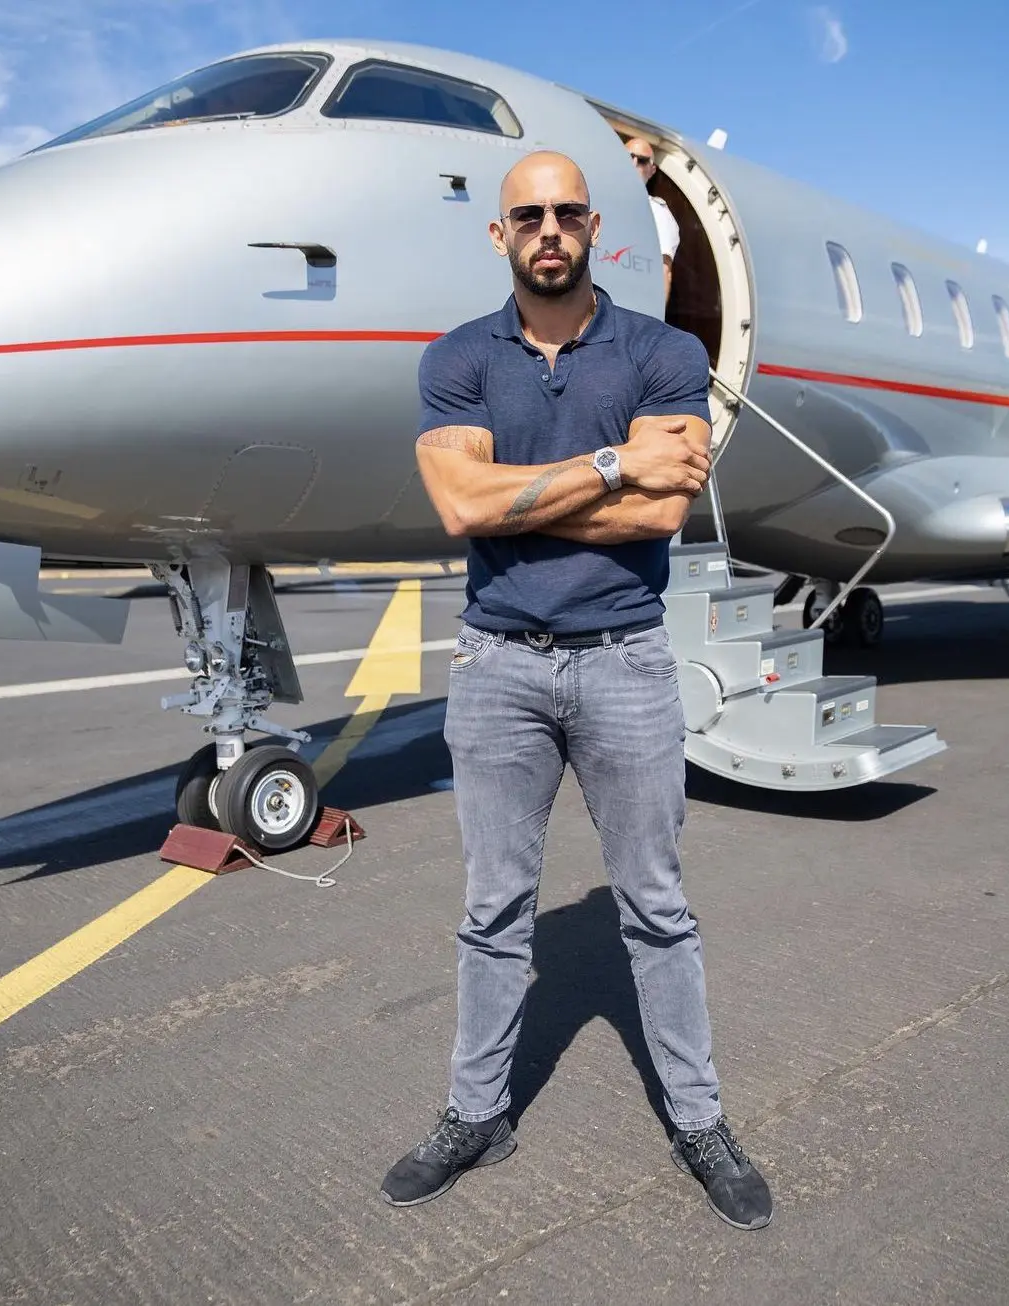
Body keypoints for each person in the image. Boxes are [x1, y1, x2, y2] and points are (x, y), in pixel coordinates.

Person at [379, 151, 772, 1232]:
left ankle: (697, 1119)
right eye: (526, 215)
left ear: (595, 227)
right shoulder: (457, 358)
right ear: (496, 234)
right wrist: (607, 467)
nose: (546, 229)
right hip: (496, 666)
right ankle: (475, 1113)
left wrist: (519, 495)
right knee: (491, 910)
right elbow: (461, 505)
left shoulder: (663, 350)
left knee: (655, 905)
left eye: (564, 213)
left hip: (625, 661)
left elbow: (659, 518)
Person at [626, 136, 679, 305]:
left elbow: (663, 271)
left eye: (642, 161)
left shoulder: (658, 212)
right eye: (628, 157)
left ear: (652, 170)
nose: (633, 164)